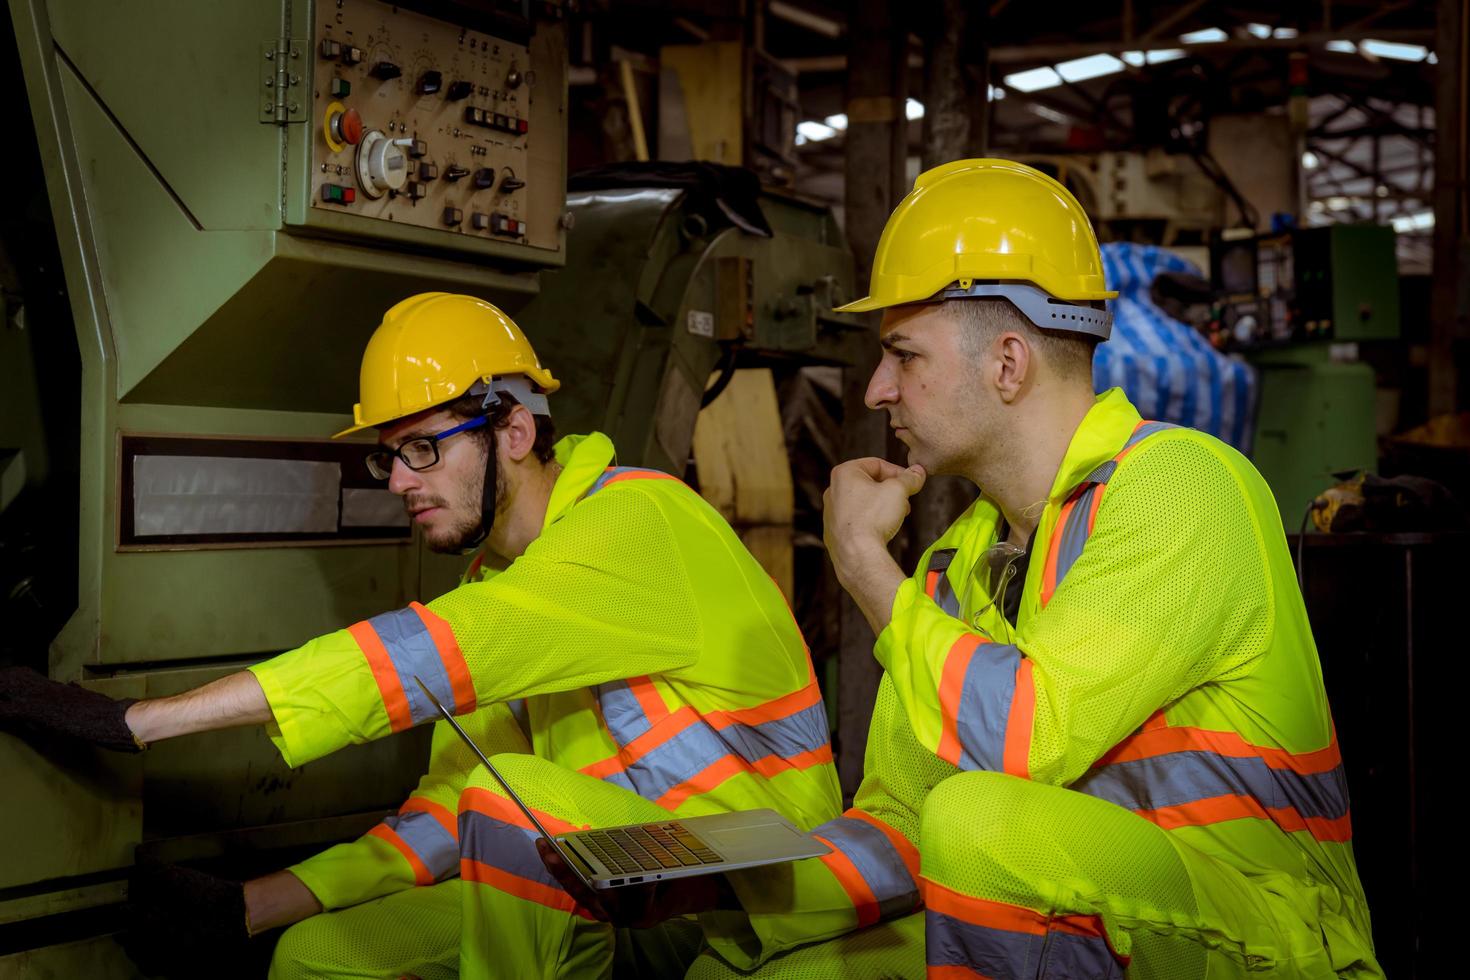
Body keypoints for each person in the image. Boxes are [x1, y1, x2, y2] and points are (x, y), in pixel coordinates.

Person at [558, 160, 1380, 979]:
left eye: (904, 354)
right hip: (1088, 926)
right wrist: (727, 888)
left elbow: (1028, 741)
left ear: (1009, 363)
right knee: (751, 974)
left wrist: (867, 570)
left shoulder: (1180, 486)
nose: (878, 388)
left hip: (1265, 942)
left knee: (981, 819)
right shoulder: (961, 566)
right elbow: (903, 823)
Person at [0, 291, 840, 978]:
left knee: (524, 796)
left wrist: (137, 722)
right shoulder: (499, 579)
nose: (399, 481)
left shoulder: (639, 521)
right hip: (617, 888)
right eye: (390, 456)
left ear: (513, 432)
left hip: (753, 898)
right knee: (319, 959)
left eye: (422, 450)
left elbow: (434, 653)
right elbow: (450, 811)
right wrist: (254, 904)